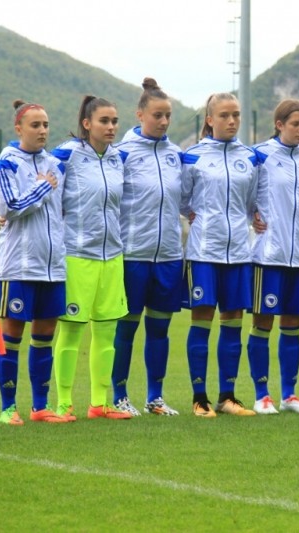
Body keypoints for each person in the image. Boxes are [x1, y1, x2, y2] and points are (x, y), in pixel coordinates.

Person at [0, 100, 68, 425]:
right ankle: (8, 407)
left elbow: (63, 209)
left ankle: (40, 407)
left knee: (45, 336)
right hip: (18, 267)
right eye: (35, 125)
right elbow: (10, 207)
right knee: (12, 336)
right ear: (19, 128)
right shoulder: (5, 164)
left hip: (53, 267)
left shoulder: (56, 164)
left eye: (45, 125)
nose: (42, 130)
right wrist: (42, 186)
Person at [52, 95, 130, 420]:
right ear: (87, 124)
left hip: (112, 257)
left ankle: (100, 403)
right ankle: (63, 403)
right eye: (104, 121)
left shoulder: (118, 158)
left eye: (114, 121)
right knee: (72, 330)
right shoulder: (66, 155)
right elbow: (51, 201)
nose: (111, 127)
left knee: (107, 332)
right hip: (77, 256)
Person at [181, 92, 258, 417]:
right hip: (204, 252)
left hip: (239, 252)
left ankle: (228, 397)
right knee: (201, 322)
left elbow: (252, 203)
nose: (232, 121)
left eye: (236, 115)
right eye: (224, 115)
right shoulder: (193, 157)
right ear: (210, 119)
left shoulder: (250, 158)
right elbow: (182, 199)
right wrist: (197, 217)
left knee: (233, 324)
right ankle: (200, 398)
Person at [111, 78, 182, 417]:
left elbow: (189, 199)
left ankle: (155, 397)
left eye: (168, 115)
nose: (164, 121)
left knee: (160, 329)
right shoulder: (121, 153)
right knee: (126, 328)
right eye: (157, 115)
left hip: (168, 255)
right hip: (133, 255)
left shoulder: (178, 155)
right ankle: (119, 396)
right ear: (139, 114)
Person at [247, 99, 299, 414]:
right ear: (279, 125)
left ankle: (289, 395)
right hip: (269, 255)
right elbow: (244, 193)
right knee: (263, 323)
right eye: (295, 124)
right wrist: (251, 214)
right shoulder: (260, 155)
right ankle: (262, 395)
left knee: (292, 325)